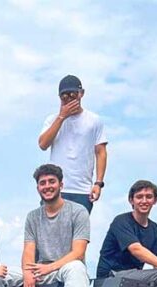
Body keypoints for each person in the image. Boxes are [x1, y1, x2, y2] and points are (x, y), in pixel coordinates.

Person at [0, 164, 90, 287]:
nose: (47, 186)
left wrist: (49, 267)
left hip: (64, 268)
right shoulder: (32, 216)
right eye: (42, 183)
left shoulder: (78, 211)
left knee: (76, 268)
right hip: (39, 270)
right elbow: (28, 250)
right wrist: (28, 273)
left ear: (61, 185)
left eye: (52, 181)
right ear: (38, 188)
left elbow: (78, 253)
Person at [38, 74, 107, 214]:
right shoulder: (52, 120)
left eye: (72, 94)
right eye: (64, 96)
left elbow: (101, 152)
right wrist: (62, 116)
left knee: (78, 235)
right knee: (48, 233)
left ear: (81, 94)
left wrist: (98, 183)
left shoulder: (94, 120)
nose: (68, 98)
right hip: (55, 189)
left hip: (82, 190)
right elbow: (43, 144)